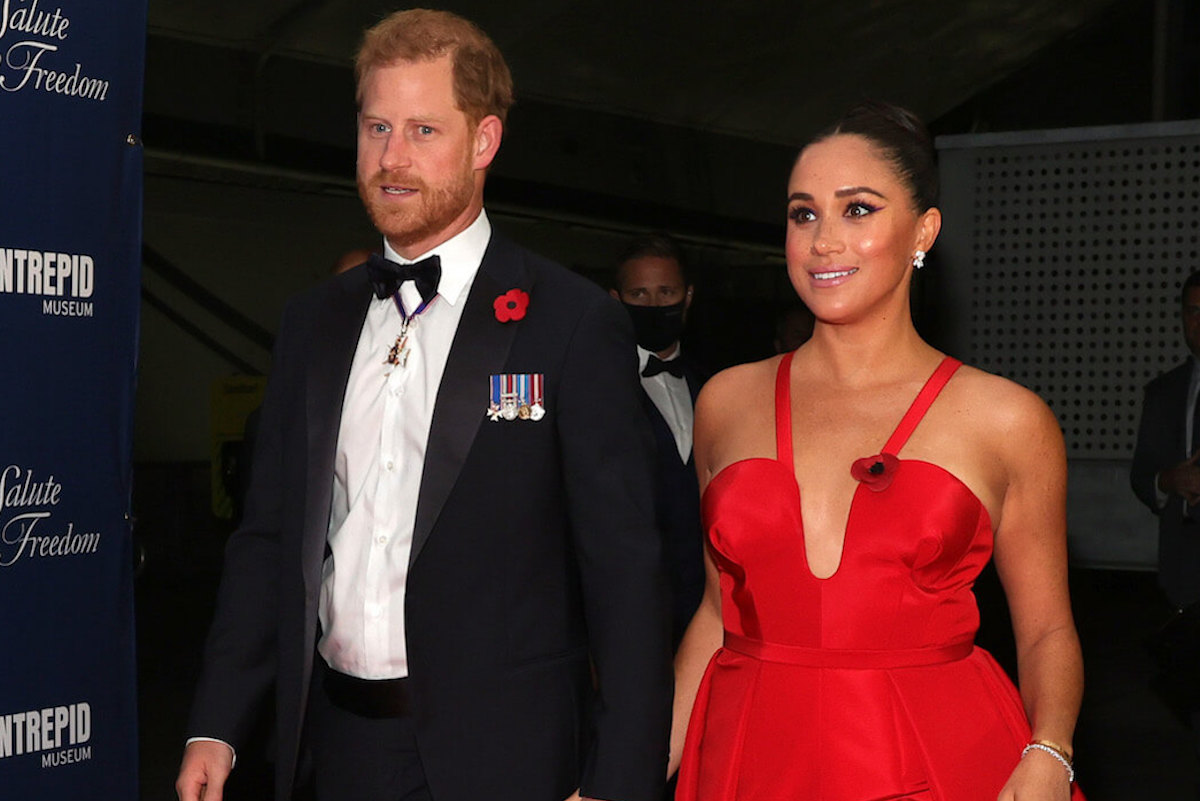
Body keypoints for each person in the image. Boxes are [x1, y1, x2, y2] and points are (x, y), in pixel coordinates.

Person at [175, 10, 671, 801]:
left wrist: (616, 778)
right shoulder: (315, 320)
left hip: (509, 761)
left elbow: (626, 576)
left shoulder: (570, 322)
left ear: (484, 142)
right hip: (335, 749)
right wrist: (218, 721)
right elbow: (268, 537)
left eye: (423, 130)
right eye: (376, 127)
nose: (392, 159)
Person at [670, 101, 1085, 800]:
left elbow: (1046, 628)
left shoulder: (1007, 418)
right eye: (804, 214)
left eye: (857, 209)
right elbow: (716, 613)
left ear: (923, 229)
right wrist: (622, 771)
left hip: (938, 762)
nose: (823, 240)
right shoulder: (725, 401)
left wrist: (1050, 750)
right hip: (750, 759)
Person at [610, 234, 707, 647]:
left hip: (709, 611)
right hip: (628, 616)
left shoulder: (716, 386)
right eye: (639, 293)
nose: (653, 305)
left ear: (687, 298)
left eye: (665, 291)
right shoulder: (595, 388)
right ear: (616, 300)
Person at [1131, 269, 1200, 611]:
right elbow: (1141, 475)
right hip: (1181, 575)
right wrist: (1168, 480)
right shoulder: (1163, 392)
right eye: (1193, 311)